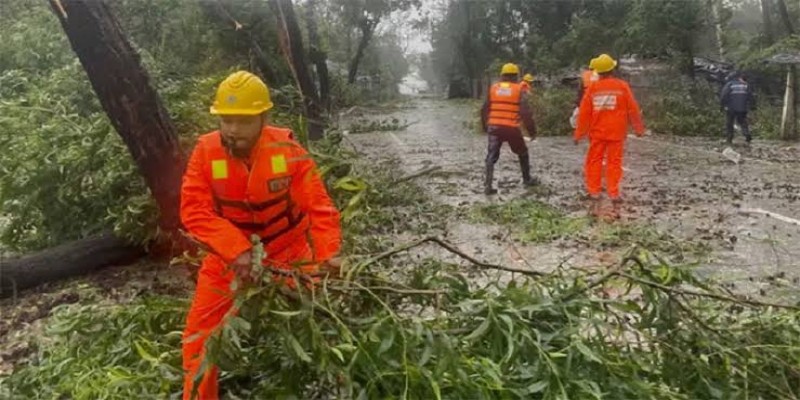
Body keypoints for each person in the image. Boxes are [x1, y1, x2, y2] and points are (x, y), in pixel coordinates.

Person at [179, 70, 342, 400]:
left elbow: (318, 206)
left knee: (319, 323)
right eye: (226, 120)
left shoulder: (287, 149)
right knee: (199, 339)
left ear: (263, 118)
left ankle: (321, 386)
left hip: (290, 251)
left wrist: (329, 254)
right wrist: (235, 250)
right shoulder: (206, 152)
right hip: (228, 258)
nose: (232, 129)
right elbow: (194, 210)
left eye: (242, 121)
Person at [573, 54, 645, 204]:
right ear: (613, 69)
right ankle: (613, 193)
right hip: (616, 133)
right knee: (614, 162)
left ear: (598, 72)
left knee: (594, 161)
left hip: (597, 133)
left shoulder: (592, 88)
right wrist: (638, 129)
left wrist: (578, 134)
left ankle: (594, 191)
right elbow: (633, 109)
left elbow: (584, 114)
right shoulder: (622, 86)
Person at [481, 63, 539, 195]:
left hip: (494, 128)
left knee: (491, 156)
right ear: (516, 76)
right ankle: (527, 179)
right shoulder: (518, 90)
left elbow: (484, 109)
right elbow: (526, 113)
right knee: (522, 152)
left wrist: (485, 127)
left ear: (502, 76)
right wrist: (532, 132)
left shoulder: (493, 88)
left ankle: (488, 186)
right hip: (511, 128)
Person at [720, 71, 755, 144]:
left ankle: (729, 139)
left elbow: (724, 95)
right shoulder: (745, 85)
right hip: (742, 108)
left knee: (729, 123)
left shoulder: (729, 84)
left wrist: (722, 105)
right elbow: (751, 96)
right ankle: (747, 134)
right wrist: (752, 106)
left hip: (731, 108)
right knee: (742, 122)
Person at [570, 62, 599, 128]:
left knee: (576, 117)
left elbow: (580, 91)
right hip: (598, 101)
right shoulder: (601, 75)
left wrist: (577, 103)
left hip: (586, 100)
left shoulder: (585, 76)